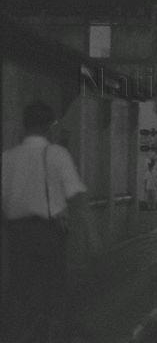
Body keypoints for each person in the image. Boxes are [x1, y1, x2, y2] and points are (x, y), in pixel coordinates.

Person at [2, 102, 88, 342]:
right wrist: (84, 235)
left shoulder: (6, 158)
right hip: (48, 233)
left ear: (24, 126)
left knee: (19, 289)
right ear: (50, 127)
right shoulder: (57, 154)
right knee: (53, 289)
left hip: (17, 234)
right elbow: (76, 195)